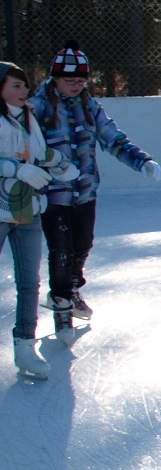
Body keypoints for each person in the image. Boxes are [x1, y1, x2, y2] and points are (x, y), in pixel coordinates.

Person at [28, 40, 161, 329]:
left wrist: (143, 161)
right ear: (55, 78)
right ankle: (62, 304)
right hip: (53, 194)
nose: (76, 85)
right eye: (69, 80)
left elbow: (114, 139)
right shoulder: (38, 107)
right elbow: (26, 148)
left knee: (83, 244)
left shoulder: (89, 106)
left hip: (85, 191)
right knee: (61, 248)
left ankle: (72, 290)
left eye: (81, 80)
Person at [0, 61, 75, 379]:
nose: (23, 90)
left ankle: (24, 347)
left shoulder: (28, 116)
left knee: (29, 284)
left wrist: (58, 162)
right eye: (15, 85)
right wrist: (16, 169)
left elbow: (37, 152)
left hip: (26, 210)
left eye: (24, 85)